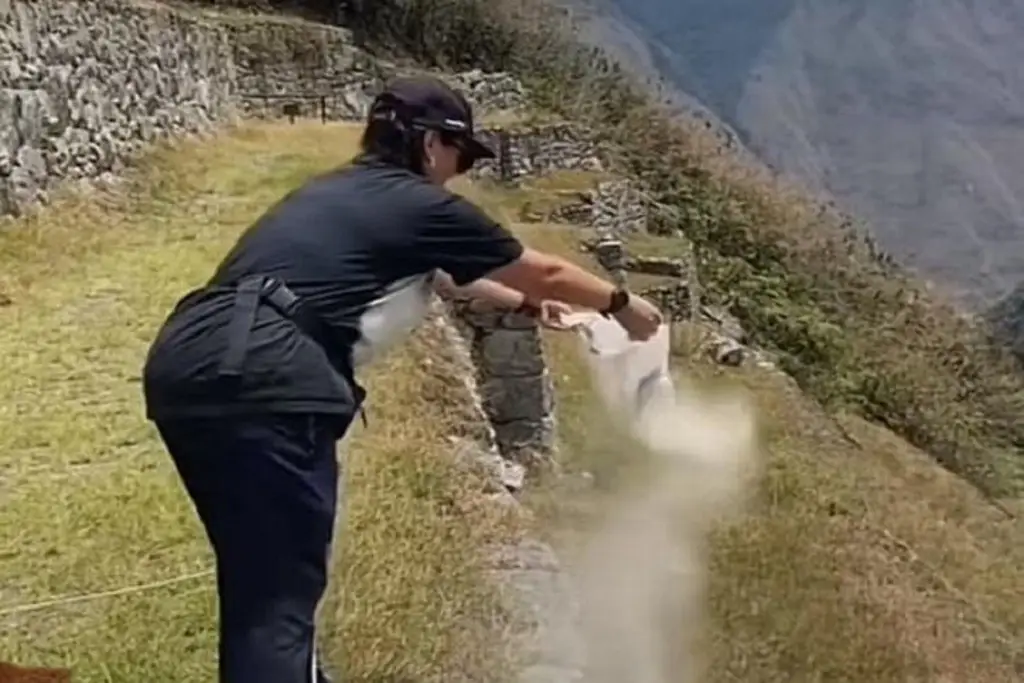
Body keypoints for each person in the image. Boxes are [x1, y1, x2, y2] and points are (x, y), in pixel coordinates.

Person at [141, 75, 663, 683]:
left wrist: (523, 308)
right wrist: (621, 303)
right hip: (267, 382)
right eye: (461, 155)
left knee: (263, 574)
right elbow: (542, 269)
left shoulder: (338, 193)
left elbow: (443, 275)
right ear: (430, 144)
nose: (460, 172)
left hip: (189, 364)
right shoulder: (421, 203)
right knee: (277, 598)